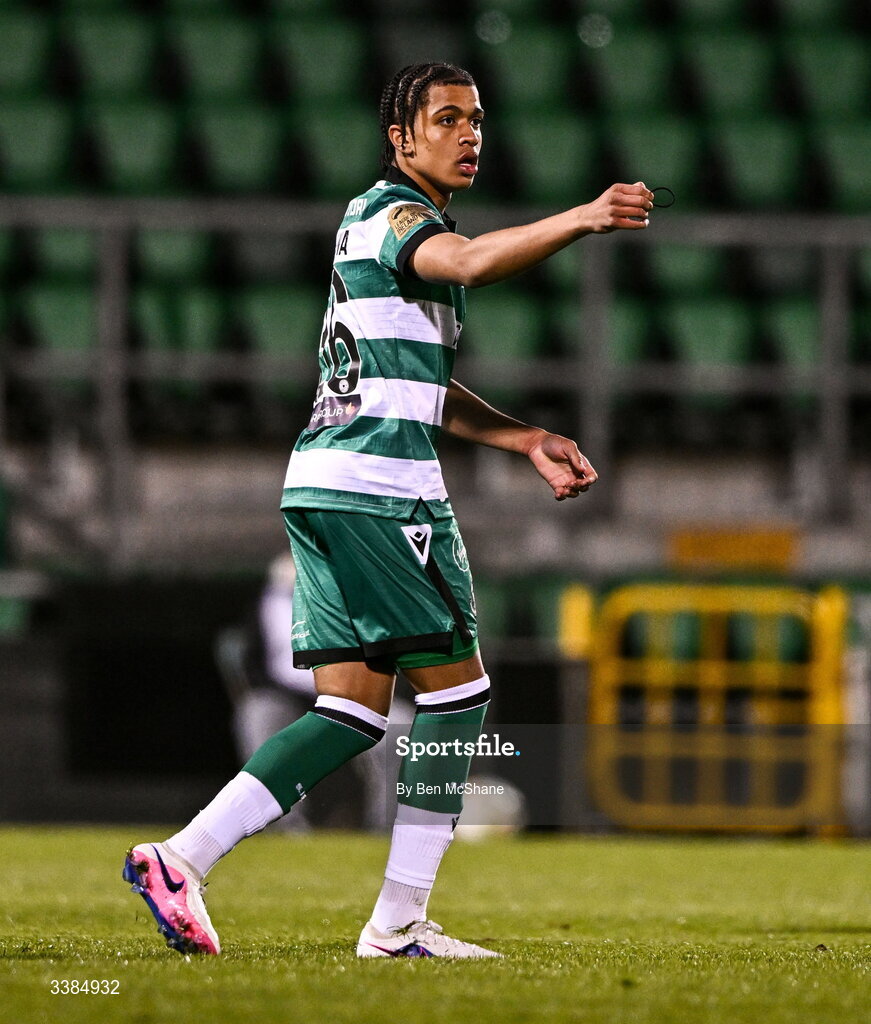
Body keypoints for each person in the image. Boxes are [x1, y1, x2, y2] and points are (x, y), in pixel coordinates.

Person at [122, 61, 654, 959]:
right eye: (447, 119)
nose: (470, 134)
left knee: (352, 712)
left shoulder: (388, 234)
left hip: (325, 488)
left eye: (478, 119)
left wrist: (522, 437)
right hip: (381, 494)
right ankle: (398, 922)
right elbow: (477, 261)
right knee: (461, 695)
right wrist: (582, 215)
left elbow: (421, 387)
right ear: (400, 138)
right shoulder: (394, 217)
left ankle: (182, 857)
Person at [220, 551, 414, 831]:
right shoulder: (267, 601)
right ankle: (286, 829)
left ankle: (386, 828)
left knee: (400, 726)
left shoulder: (365, 597)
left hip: (358, 696)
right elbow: (256, 665)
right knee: (257, 715)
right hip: (288, 699)